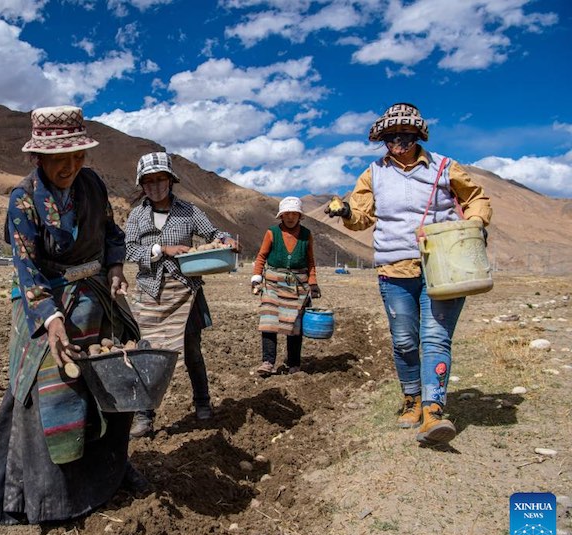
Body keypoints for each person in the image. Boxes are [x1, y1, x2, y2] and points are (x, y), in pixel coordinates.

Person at [0, 105, 148, 526]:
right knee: (46, 388)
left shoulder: (93, 185)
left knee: (112, 379)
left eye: (78, 156)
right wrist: (51, 319)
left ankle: (113, 471)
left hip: (95, 299)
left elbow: (112, 235)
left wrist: (116, 268)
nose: (71, 166)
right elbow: (27, 269)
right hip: (44, 302)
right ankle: (48, 498)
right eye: (61, 158)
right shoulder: (23, 200)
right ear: (39, 157)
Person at [325, 102, 492, 445]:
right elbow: (362, 218)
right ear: (381, 139)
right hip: (393, 267)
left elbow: (477, 198)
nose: (396, 141)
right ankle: (411, 399)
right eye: (389, 136)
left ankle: (433, 412)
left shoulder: (445, 168)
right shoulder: (372, 174)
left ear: (418, 134)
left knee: (434, 338)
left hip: (443, 267)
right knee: (403, 341)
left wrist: (472, 226)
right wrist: (344, 211)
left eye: (403, 134)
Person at [124, 152, 239, 438]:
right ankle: (144, 415)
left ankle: (202, 403)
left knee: (192, 351)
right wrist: (161, 250)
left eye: (160, 179)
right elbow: (127, 250)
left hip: (185, 292)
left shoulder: (188, 212)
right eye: (148, 181)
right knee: (145, 353)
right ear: (142, 185)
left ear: (171, 180)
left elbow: (212, 233)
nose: (155, 185)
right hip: (151, 293)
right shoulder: (137, 215)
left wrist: (226, 240)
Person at [251, 196, 320, 376]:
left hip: (297, 285)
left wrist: (313, 283)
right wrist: (256, 279)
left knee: (295, 327)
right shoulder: (271, 233)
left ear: (299, 216)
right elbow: (261, 256)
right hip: (273, 283)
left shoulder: (306, 235)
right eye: (287, 213)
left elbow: (310, 261)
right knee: (268, 323)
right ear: (281, 216)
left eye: (294, 214)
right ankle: (267, 362)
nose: (290, 217)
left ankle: (294, 364)